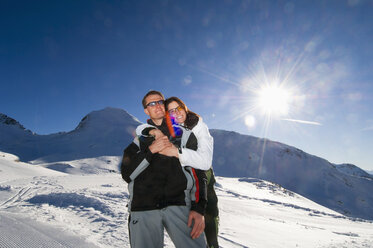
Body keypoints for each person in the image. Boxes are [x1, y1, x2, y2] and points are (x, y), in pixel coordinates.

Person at [121, 90, 207, 248]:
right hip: (143, 208)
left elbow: (198, 172)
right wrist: (150, 150)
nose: (157, 106)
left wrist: (199, 208)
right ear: (146, 111)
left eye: (160, 102)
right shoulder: (139, 141)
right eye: (151, 104)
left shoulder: (183, 135)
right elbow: (127, 174)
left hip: (179, 204)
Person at [138, 96, 219, 248]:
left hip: (204, 177)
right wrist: (152, 131)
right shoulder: (174, 128)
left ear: (185, 107)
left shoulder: (198, 126)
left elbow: (204, 162)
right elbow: (142, 128)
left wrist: (177, 153)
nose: (176, 112)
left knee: (209, 220)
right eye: (171, 111)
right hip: (187, 180)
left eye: (179, 108)